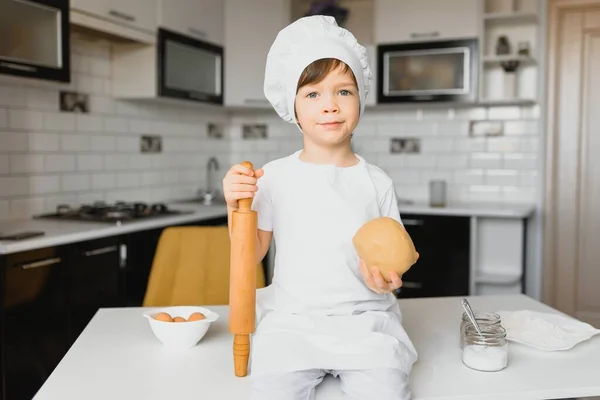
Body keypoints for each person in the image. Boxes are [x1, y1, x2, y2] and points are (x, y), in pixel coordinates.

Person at [222, 15, 418, 400]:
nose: (329, 106)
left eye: (343, 92)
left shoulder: (377, 181)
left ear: (360, 98)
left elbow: (394, 259)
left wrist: (389, 279)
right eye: (312, 94)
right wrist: (234, 205)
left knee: (387, 392)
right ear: (291, 107)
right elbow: (252, 252)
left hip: (365, 322)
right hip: (292, 324)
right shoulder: (274, 177)